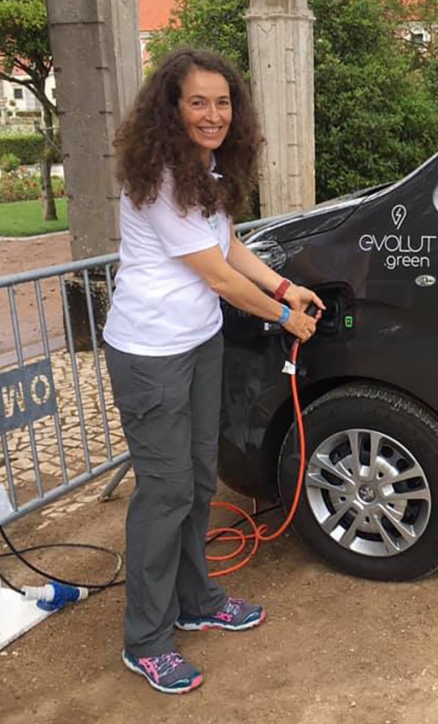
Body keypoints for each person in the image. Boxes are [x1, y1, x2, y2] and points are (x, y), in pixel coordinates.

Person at [102, 47, 323, 695]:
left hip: (198, 344)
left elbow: (228, 246)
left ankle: (196, 601)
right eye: (197, 102)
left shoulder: (208, 170)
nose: (213, 114)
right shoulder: (163, 179)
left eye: (222, 102)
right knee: (165, 492)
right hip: (151, 353)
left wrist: (284, 287)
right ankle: (146, 639)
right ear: (171, 108)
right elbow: (220, 278)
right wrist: (284, 317)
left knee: (199, 481)